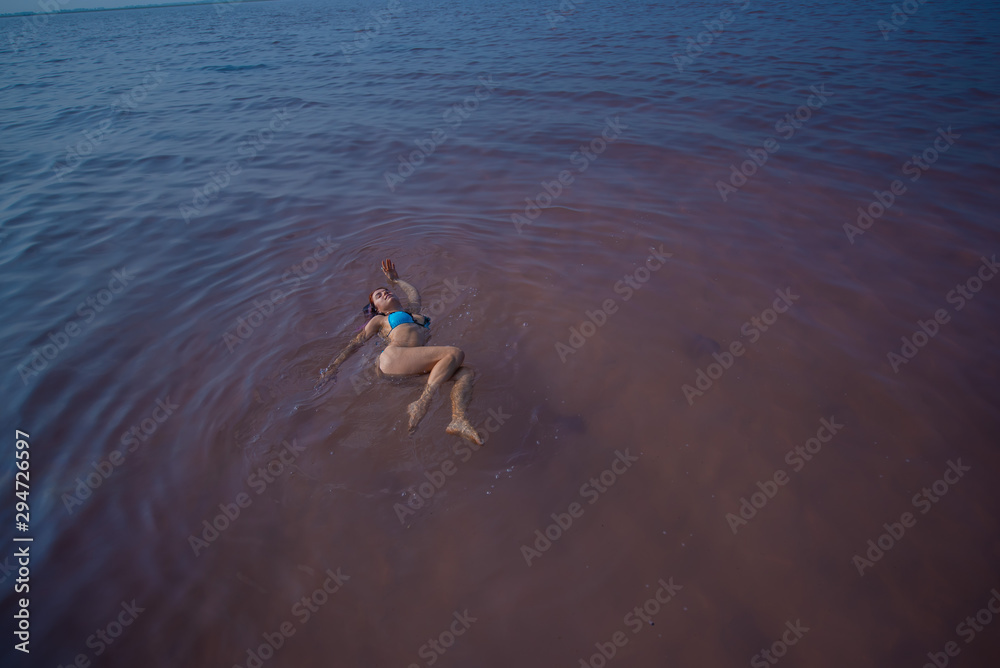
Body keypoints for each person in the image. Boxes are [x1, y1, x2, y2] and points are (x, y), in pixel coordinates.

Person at [318, 259, 482, 444]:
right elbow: (354, 344)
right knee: (454, 353)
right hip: (393, 358)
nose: (385, 293)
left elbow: (414, 294)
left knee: (465, 373)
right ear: (377, 309)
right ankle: (421, 403)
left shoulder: (413, 314)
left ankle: (458, 420)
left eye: (386, 290)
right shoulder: (380, 321)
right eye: (379, 295)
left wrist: (396, 280)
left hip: (408, 367)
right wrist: (334, 367)